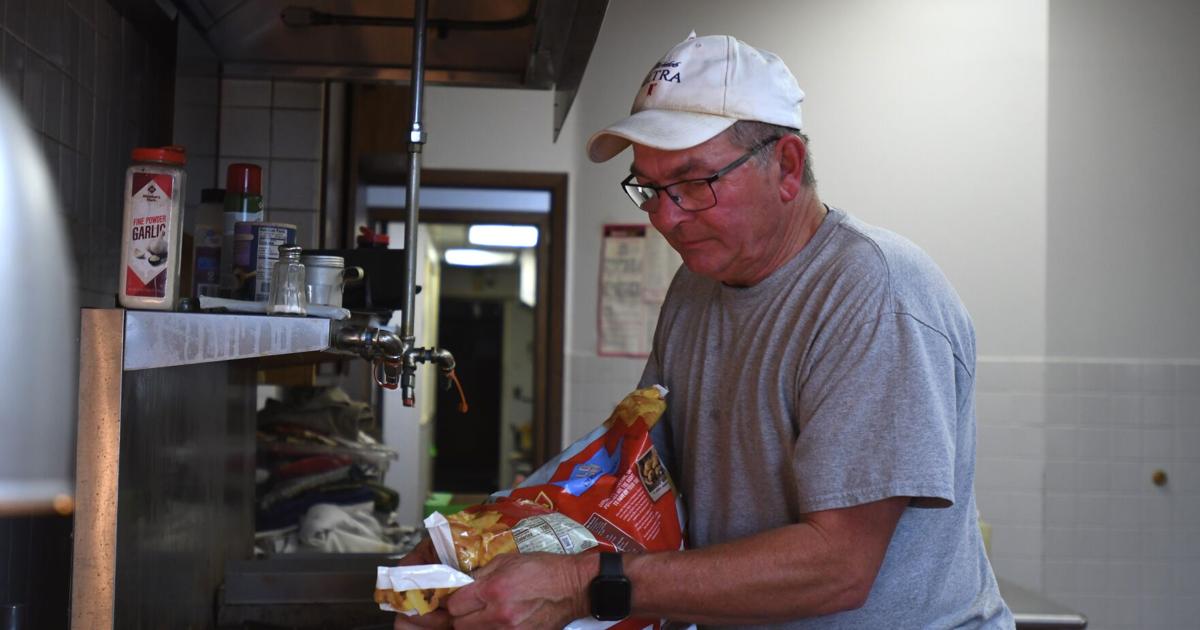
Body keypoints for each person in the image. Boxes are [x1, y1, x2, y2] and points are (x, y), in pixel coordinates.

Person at [394, 32, 1014, 630]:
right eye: (651, 188)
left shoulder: (871, 293)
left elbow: (839, 567)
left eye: (693, 184)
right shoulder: (696, 288)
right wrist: (480, 542)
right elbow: (637, 465)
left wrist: (581, 581)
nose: (666, 217)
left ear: (788, 167)